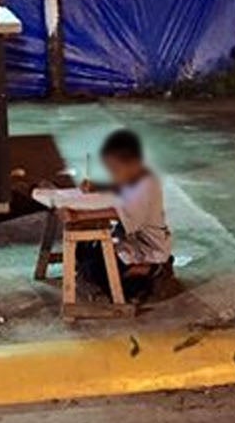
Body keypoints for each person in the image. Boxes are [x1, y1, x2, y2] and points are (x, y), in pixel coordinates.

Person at [66, 128, 174, 303]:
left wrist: (78, 215)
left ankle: (146, 273)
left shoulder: (146, 184)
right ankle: (138, 272)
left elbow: (120, 211)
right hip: (132, 242)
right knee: (84, 253)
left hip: (148, 248)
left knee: (94, 268)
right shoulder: (134, 174)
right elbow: (118, 191)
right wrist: (97, 186)